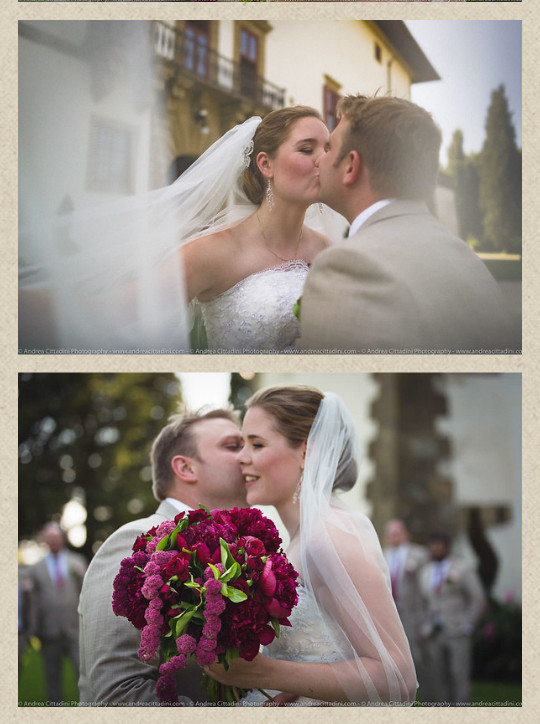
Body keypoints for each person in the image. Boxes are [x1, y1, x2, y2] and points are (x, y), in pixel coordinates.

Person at [20, 107, 341, 354]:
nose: (321, 161)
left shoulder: (328, 251)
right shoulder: (213, 251)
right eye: (306, 149)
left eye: (327, 149)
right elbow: (112, 311)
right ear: (265, 164)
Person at [205, 386, 417, 705]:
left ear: (307, 452)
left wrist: (262, 674)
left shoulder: (328, 536)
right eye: (242, 444)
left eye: (257, 444)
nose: (242, 458)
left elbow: (397, 678)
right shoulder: (301, 539)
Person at [298, 94, 520, 354]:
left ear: (350, 166)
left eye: (329, 148)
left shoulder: (350, 268)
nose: (318, 160)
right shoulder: (466, 257)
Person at [78, 409, 247, 706]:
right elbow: (115, 696)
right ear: (186, 468)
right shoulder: (133, 542)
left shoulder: (236, 552)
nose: (249, 456)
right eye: (234, 446)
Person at [417, 532, 486, 705]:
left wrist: (468, 624)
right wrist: (424, 626)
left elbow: (478, 598)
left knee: (459, 676)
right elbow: (425, 602)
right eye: (433, 546)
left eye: (440, 545)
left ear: (447, 548)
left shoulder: (463, 568)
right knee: (438, 678)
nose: (436, 549)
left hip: (457, 631)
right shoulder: (425, 572)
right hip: (433, 632)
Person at [27, 522, 87, 705]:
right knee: (52, 679)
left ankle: (87, 709)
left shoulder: (77, 562)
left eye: (56, 538)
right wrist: (33, 628)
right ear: (45, 541)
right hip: (48, 631)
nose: (53, 541)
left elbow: (85, 592)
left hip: (74, 628)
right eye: (49, 539)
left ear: (62, 539)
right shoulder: (35, 568)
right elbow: (32, 601)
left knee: (83, 676)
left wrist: (83, 575)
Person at [384, 519, 429, 699]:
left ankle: (425, 697)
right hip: (390, 616)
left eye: (397, 532)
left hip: (413, 614)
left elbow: (428, 587)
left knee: (417, 658)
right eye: (391, 533)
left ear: (405, 533)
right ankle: (399, 695)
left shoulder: (420, 554)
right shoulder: (382, 555)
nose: (394, 536)